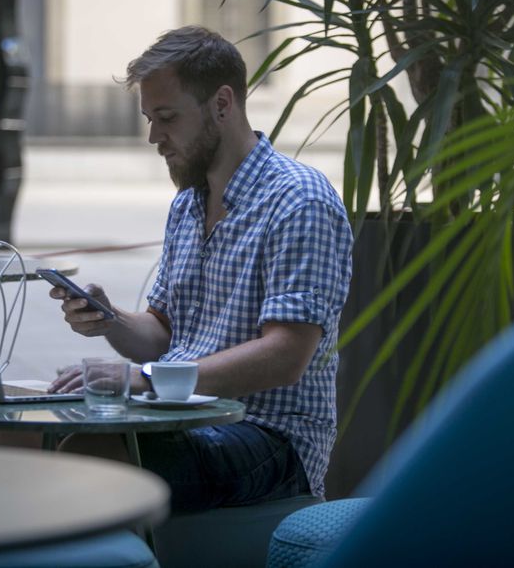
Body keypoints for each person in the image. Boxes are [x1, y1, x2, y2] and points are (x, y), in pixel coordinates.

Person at [47, 26, 353, 512]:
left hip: (267, 436)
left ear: (223, 104)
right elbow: (165, 332)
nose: (153, 137)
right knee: (14, 437)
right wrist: (112, 320)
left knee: (93, 452)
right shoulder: (188, 202)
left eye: (166, 117)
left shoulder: (299, 199)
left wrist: (142, 380)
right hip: (180, 417)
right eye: (150, 119)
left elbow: (286, 355)